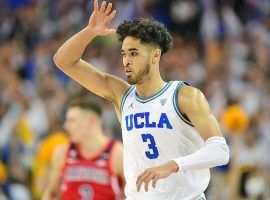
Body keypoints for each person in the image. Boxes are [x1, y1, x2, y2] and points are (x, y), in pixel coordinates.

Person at [52, 0, 230, 199]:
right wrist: (90, 31)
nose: (126, 61)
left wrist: (174, 165)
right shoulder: (121, 95)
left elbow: (220, 151)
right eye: (124, 54)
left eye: (134, 53)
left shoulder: (183, 95)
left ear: (155, 56)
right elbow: (63, 61)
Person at [42, 98, 124, 200]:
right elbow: (52, 193)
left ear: (91, 121)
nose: (66, 126)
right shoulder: (61, 153)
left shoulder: (118, 153)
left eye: (72, 120)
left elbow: (135, 193)